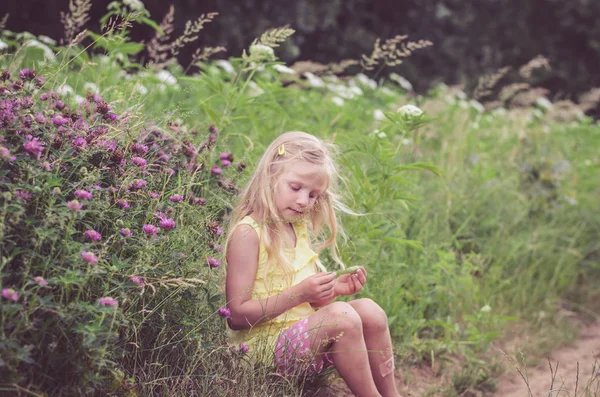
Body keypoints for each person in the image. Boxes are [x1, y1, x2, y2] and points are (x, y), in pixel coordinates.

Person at [225, 131, 402, 397]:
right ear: (270, 176)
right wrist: (299, 294)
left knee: (370, 310)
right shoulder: (249, 233)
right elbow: (236, 317)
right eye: (295, 188)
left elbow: (302, 307)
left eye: (313, 195)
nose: (303, 201)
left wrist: (331, 292)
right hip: (261, 351)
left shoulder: (297, 227)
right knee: (341, 316)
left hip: (298, 339)